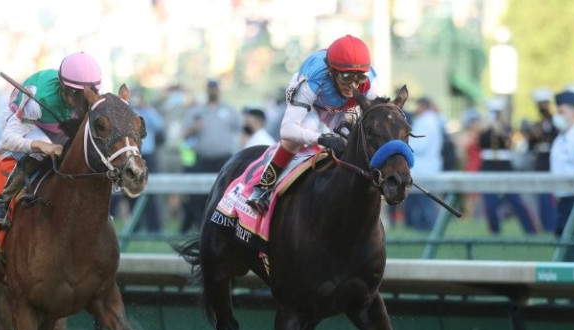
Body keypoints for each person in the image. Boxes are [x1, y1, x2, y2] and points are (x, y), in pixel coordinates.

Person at [246, 34, 380, 213]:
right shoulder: (315, 75)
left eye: (359, 78)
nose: (354, 85)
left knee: (353, 139)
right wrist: (322, 138)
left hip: (339, 107)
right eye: (347, 76)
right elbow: (287, 129)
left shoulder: (370, 82)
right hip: (312, 104)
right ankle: (262, 188)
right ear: (331, 71)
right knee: (302, 133)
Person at [0, 52, 103, 227]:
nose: (82, 102)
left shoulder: (86, 96)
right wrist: (41, 146)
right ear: (64, 88)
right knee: (46, 150)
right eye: (77, 95)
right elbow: (7, 140)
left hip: (57, 124)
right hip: (25, 121)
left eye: (87, 94)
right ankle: (2, 201)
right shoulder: (38, 100)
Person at [180, 79, 240, 232]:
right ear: (206, 90)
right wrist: (194, 128)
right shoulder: (197, 111)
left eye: (215, 89)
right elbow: (184, 135)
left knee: (226, 194)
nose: (212, 91)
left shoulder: (229, 110)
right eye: (210, 89)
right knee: (199, 196)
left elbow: (239, 131)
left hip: (224, 159)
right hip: (203, 159)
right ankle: (202, 227)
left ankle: (224, 227)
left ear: (219, 90)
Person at [478, 98, 537, 235]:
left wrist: (500, 130)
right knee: (490, 201)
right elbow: (480, 144)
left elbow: (511, 143)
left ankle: (531, 230)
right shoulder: (484, 128)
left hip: (504, 165)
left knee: (515, 199)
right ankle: (494, 231)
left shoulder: (507, 127)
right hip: (488, 165)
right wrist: (486, 128)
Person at [110, 89, 165, 233]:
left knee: (151, 193)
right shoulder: (125, 114)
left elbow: (159, 126)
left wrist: (146, 108)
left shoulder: (148, 112)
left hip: (148, 155)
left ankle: (154, 228)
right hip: (132, 155)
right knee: (130, 191)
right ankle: (135, 228)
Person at [549, 90, 574, 262]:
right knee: (565, 252)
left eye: (561, 111)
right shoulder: (560, 139)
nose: (557, 116)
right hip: (563, 202)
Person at [405, 96, 443, 231]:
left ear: (422, 106)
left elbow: (420, 144)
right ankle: (424, 225)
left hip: (424, 167)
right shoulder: (432, 120)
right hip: (427, 166)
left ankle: (429, 225)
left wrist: (407, 143)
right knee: (423, 199)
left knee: (425, 200)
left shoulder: (426, 122)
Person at [527, 88, 558, 232]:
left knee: (551, 195)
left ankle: (552, 224)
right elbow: (531, 146)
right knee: (542, 194)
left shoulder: (555, 122)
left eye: (543, 103)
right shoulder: (537, 123)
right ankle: (546, 225)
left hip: (551, 159)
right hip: (540, 160)